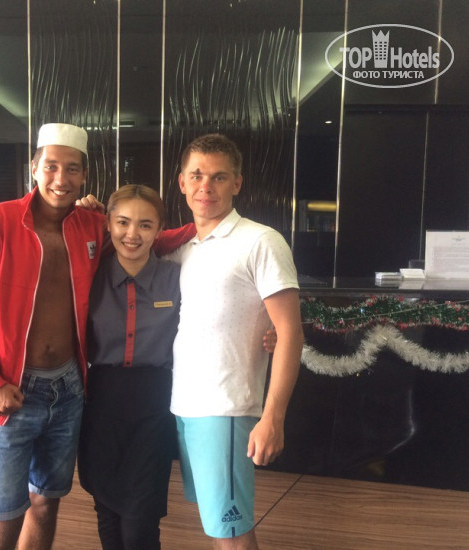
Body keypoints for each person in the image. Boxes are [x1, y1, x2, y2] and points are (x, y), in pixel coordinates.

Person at [0, 123, 107, 550]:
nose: (60, 178)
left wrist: (201, 230)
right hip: (11, 388)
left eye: (72, 169)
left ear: (84, 176)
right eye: (51, 166)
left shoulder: (93, 227)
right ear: (33, 168)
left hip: (69, 389)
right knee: (2, 518)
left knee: (46, 504)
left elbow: (143, 240)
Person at [166, 133, 304, 550]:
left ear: (237, 183)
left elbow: (290, 332)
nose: (206, 186)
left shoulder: (260, 241)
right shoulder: (184, 248)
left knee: (233, 534)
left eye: (219, 177)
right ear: (182, 182)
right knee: (219, 526)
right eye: (197, 175)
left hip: (226, 409)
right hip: (186, 406)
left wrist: (273, 417)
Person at [77, 184, 181, 550]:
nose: (132, 234)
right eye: (122, 222)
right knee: (108, 515)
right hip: (101, 404)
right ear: (107, 223)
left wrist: (267, 331)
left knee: (140, 522)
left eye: (145, 224)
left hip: (155, 406)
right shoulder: (88, 276)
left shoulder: (177, 278)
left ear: (159, 229)